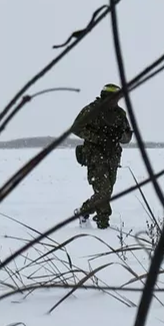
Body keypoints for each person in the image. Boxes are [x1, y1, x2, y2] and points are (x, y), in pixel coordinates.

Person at [71, 83, 134, 228]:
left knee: (107, 191)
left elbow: (127, 138)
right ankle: (103, 222)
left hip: (112, 157)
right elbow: (76, 128)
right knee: (103, 191)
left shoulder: (120, 114)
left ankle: (84, 211)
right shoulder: (92, 110)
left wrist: (120, 136)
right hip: (95, 156)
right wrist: (99, 138)